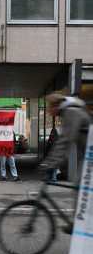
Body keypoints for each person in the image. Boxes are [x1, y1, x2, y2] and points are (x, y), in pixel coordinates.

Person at [40, 91, 91, 233]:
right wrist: (53, 162)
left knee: (80, 182)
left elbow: (66, 141)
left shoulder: (72, 112)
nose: (49, 111)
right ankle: (81, 221)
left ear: (57, 105)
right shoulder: (68, 113)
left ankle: (78, 223)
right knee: (79, 184)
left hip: (90, 157)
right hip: (88, 157)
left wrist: (51, 164)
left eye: (50, 107)